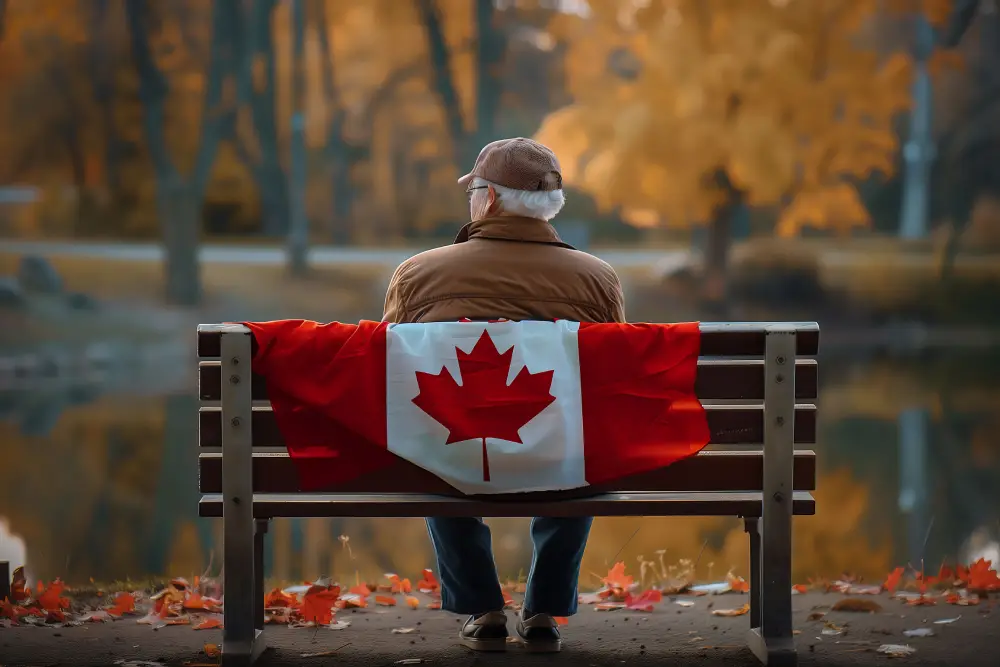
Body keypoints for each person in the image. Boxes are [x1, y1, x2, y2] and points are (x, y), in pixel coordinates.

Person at [382, 137, 626, 653]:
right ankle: (542, 609)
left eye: (473, 190)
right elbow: (615, 388)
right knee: (584, 444)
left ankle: (482, 606)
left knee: (427, 446)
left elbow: (383, 374)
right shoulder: (598, 280)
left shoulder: (419, 274)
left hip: (452, 449)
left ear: (488, 200)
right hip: (562, 455)